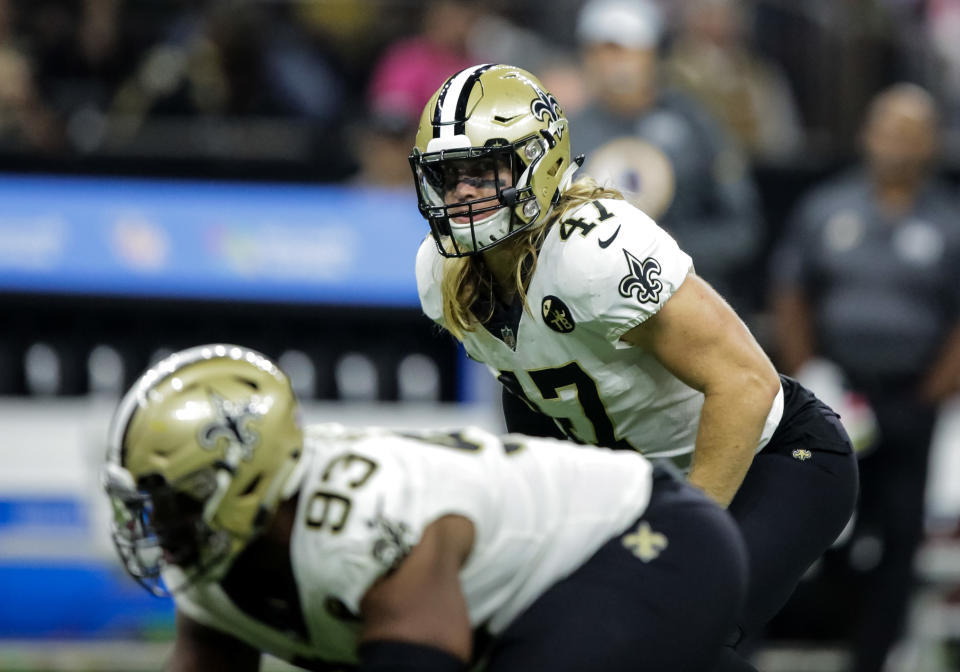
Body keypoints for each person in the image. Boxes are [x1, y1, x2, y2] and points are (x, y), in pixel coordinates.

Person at [410, 63, 859, 671]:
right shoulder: (443, 274)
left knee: (674, 631)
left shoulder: (592, 252)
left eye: (484, 170)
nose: (464, 192)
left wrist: (685, 528)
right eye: (448, 175)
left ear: (538, 162)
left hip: (770, 458)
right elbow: (534, 396)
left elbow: (745, 383)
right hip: (645, 489)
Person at [103, 344, 748, 672]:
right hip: (553, 601)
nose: (162, 529)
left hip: (645, 539)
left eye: (178, 504)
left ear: (244, 482)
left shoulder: (360, 522)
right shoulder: (222, 563)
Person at [771, 83, 960, 672]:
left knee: (901, 532)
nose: (897, 143)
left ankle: (874, 658)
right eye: (888, 128)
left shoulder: (950, 221)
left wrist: (933, 392)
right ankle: (827, 635)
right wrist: (809, 376)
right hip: (838, 395)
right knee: (829, 523)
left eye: (911, 132)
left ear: (932, 143)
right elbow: (791, 291)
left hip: (912, 391)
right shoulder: (827, 207)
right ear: (866, 134)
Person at [568, 0, 763, 315]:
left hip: (689, 302)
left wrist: (673, 247)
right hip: (594, 310)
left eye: (622, 49)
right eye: (598, 50)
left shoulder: (696, 125)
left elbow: (743, 229)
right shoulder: (568, 132)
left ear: (652, 53)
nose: (610, 62)